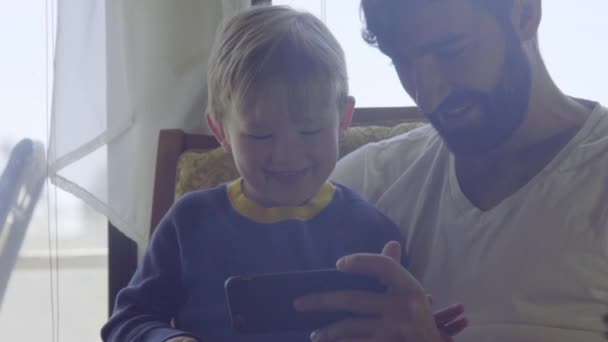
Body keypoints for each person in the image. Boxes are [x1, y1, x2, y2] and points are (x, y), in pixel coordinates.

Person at [101, 5, 466, 342]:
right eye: (261, 134)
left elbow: (399, 325)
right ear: (220, 131)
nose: (288, 154)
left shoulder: (373, 231)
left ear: (343, 120)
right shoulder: (190, 222)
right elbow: (128, 320)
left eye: (309, 131)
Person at [296, 0, 608, 341]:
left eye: (451, 51)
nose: (427, 93)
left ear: (524, 14)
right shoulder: (367, 183)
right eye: (402, 60)